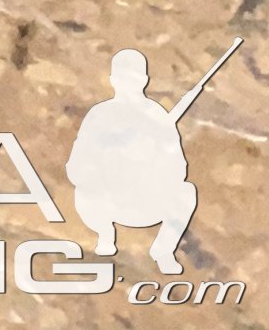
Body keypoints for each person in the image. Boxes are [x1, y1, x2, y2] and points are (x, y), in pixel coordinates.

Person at [68, 49, 202, 274]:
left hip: (145, 200)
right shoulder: (99, 115)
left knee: (186, 193)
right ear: (112, 80)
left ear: (144, 81)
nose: (127, 85)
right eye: (122, 78)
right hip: (108, 201)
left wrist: (161, 152)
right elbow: (76, 166)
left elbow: (178, 170)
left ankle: (163, 250)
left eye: (133, 79)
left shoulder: (158, 117)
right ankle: (105, 234)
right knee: (83, 193)